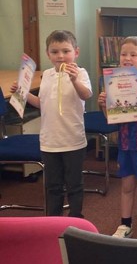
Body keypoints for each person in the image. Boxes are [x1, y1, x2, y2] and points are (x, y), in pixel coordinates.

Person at [12, 30, 92, 217]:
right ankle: (52, 221)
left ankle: (75, 220)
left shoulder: (80, 73)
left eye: (66, 51)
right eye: (55, 52)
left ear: (76, 52)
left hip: (73, 140)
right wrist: (22, 93)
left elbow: (86, 95)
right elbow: (42, 103)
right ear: (48, 54)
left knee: (74, 184)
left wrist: (73, 80)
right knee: (52, 186)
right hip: (49, 141)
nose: (61, 56)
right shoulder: (46, 75)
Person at [98, 37, 137, 240]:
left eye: (133, 55)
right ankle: (125, 224)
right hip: (126, 143)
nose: (127, 58)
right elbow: (112, 119)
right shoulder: (114, 84)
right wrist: (102, 105)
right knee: (126, 186)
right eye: (124, 54)